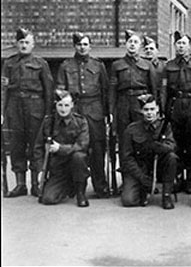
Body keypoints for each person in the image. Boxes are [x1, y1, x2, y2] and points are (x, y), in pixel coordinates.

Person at [1, 27, 54, 198]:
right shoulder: (8, 63)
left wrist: (48, 114)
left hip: (35, 108)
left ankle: (35, 184)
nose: (24, 45)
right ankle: (20, 184)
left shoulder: (41, 64)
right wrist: (2, 111)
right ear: (17, 44)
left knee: (36, 146)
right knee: (17, 145)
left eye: (27, 42)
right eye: (21, 42)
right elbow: (3, 90)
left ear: (33, 45)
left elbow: (49, 91)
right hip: (15, 107)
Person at [57, 32, 110, 198]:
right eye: (79, 44)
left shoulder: (98, 65)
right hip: (75, 110)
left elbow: (105, 91)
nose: (82, 47)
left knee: (98, 149)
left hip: (95, 111)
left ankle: (100, 186)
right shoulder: (65, 66)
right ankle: (74, 186)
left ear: (90, 46)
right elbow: (60, 91)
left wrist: (108, 114)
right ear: (74, 46)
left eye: (85, 44)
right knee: (75, 149)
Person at [161, 31, 191, 194]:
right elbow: (164, 88)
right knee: (177, 143)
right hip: (175, 106)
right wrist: (164, 108)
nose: (181, 46)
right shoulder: (169, 66)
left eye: (184, 43)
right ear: (175, 46)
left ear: (189, 46)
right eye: (178, 44)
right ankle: (178, 177)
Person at [119, 94, 178, 209]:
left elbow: (171, 145)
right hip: (139, 167)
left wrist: (160, 147)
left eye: (152, 109)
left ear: (157, 110)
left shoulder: (165, 126)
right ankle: (142, 189)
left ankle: (166, 195)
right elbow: (126, 157)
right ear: (141, 111)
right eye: (146, 110)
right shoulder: (132, 129)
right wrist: (141, 177)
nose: (149, 113)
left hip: (159, 165)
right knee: (128, 200)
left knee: (172, 157)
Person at [34, 90, 90, 207]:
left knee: (79, 156)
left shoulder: (81, 121)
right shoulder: (48, 122)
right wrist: (40, 170)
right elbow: (38, 147)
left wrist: (60, 148)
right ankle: (67, 186)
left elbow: (82, 145)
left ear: (72, 105)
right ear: (55, 105)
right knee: (48, 199)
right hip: (58, 168)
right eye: (60, 105)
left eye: (66, 105)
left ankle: (80, 193)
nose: (63, 109)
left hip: (76, 165)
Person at [109, 30, 157, 146]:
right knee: (124, 135)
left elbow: (153, 88)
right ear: (126, 44)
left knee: (141, 135)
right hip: (123, 103)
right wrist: (111, 110)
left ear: (140, 45)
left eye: (136, 42)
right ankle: (124, 163)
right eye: (130, 41)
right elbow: (112, 91)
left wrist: (153, 107)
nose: (132, 44)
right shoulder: (117, 65)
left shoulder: (147, 65)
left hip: (140, 103)